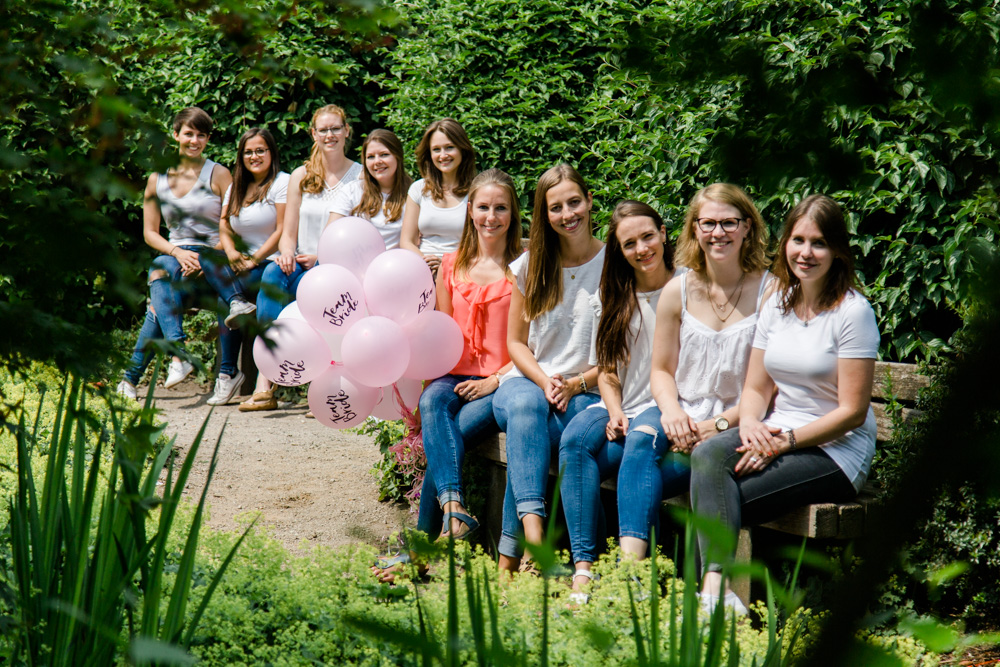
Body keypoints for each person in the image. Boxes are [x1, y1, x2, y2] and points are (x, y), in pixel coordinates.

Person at [689, 194, 879, 616]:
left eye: (818, 243)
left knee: (719, 497)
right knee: (706, 459)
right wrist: (753, 424)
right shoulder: (777, 303)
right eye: (798, 240)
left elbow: (851, 412)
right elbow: (756, 387)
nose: (805, 253)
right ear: (785, 244)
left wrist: (781, 442)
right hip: (777, 430)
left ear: (837, 251)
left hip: (835, 451)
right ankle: (715, 593)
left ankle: (709, 598)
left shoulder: (853, 313)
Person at [371, 169, 522, 584]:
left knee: (449, 435)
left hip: (501, 381)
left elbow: (537, 343)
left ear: (513, 213)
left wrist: (495, 380)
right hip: (453, 375)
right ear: (470, 210)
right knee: (433, 401)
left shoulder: (524, 267)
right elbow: (441, 331)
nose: (491, 216)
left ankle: (420, 548)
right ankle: (455, 513)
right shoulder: (452, 264)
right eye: (484, 207)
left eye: (501, 208)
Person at [617, 183, 772, 571]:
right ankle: (629, 576)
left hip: (737, 423)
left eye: (729, 223)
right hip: (680, 413)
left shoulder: (772, 292)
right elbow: (662, 370)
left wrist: (715, 425)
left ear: (747, 227)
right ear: (694, 229)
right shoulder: (678, 290)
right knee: (638, 442)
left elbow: (766, 389)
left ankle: (701, 588)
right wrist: (671, 413)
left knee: (673, 466)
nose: (718, 233)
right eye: (708, 223)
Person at [558, 200, 674, 601]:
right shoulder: (615, 294)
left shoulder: (685, 288)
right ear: (619, 251)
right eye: (629, 243)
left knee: (627, 456)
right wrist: (615, 409)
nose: (641, 248)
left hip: (665, 407)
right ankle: (585, 568)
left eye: (647, 236)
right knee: (574, 442)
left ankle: (632, 577)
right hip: (623, 403)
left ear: (663, 232)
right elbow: (607, 370)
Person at [492, 164, 605, 575]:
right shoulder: (529, 266)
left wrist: (576, 384)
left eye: (574, 202)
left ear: (590, 201)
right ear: (545, 214)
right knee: (525, 411)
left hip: (586, 394)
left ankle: (508, 560)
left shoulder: (615, 264)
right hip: (528, 383)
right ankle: (537, 543)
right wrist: (545, 380)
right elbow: (516, 343)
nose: (567, 213)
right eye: (555, 207)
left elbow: (621, 352)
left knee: (530, 442)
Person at [117, 107, 250, 399]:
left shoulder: (219, 174)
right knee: (160, 270)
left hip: (214, 259)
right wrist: (178, 252)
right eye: (189, 133)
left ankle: (227, 373)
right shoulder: (157, 178)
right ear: (176, 134)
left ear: (207, 139)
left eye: (201, 135)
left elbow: (235, 226)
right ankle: (178, 356)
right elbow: (150, 232)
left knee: (158, 301)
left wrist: (206, 258)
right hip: (176, 259)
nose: (195, 140)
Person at [245, 104, 361, 411]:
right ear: (313, 133)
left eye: (336, 128)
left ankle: (321, 384)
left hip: (337, 268)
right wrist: (286, 252)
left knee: (321, 287)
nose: (330, 135)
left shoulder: (360, 176)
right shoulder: (302, 175)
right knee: (271, 276)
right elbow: (288, 229)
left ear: (346, 130)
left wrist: (322, 257)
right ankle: (265, 379)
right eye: (323, 129)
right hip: (299, 263)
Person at [207, 127, 289, 406]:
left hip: (270, 264)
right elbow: (223, 224)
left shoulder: (282, 182)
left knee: (224, 298)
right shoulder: (236, 186)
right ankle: (237, 302)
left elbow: (282, 229)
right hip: (240, 263)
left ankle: (228, 373)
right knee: (209, 258)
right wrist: (230, 252)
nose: (254, 156)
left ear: (271, 152)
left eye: (260, 150)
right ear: (241, 156)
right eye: (248, 151)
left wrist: (254, 259)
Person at [399, 118, 477, 276]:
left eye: (449, 147)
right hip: (422, 270)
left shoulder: (476, 190)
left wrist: (446, 265)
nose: (443, 155)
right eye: (436, 149)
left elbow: (481, 243)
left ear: (462, 149)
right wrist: (425, 263)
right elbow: (406, 241)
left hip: (462, 271)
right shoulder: (418, 189)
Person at [327, 129, 412, 250]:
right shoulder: (351, 191)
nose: (377, 161)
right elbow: (331, 235)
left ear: (397, 156)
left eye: (384, 154)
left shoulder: (414, 194)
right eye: (371, 157)